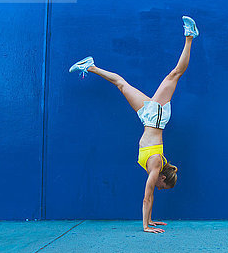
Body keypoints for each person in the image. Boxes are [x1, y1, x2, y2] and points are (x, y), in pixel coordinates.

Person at [69, 16, 199, 234]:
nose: (159, 187)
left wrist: (151, 221)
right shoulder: (156, 165)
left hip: (148, 117)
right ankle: (190, 37)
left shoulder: (155, 167)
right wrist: (146, 226)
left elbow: (150, 197)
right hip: (155, 117)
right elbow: (148, 197)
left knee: (121, 85)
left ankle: (90, 66)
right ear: (163, 178)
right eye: (162, 186)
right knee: (173, 75)